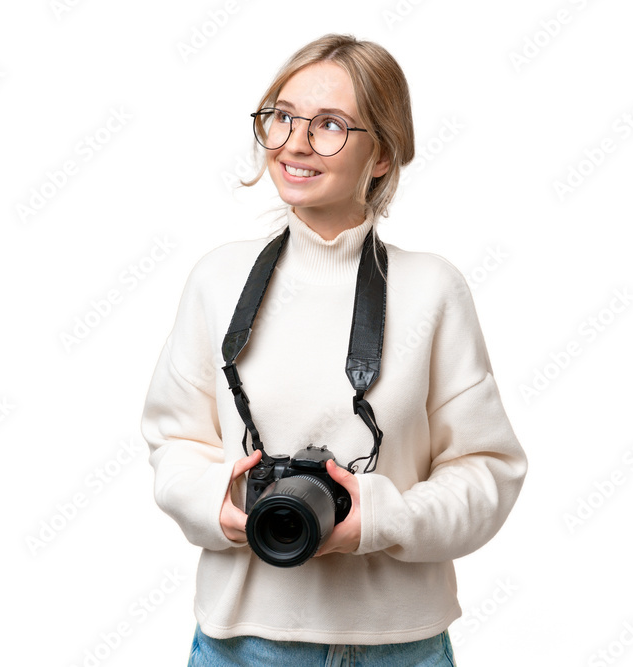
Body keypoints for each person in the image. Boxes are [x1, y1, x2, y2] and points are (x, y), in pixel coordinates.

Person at [140, 33, 528, 666]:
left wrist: (378, 520)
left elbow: (490, 471)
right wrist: (223, 503)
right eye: (283, 116)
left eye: (329, 125)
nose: (295, 142)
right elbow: (173, 443)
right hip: (244, 645)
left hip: (399, 649)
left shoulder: (432, 289)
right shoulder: (218, 280)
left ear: (380, 155)